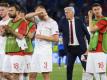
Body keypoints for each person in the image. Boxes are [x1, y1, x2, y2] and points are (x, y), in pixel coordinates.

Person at [2, 4, 36, 80]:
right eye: (9, 10)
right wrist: (4, 31)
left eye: (11, 11)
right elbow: (5, 35)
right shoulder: (10, 21)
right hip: (8, 51)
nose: (9, 12)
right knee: (5, 74)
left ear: (17, 12)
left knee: (19, 74)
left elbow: (21, 36)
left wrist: (10, 30)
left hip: (18, 52)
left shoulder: (23, 22)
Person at [59, 6, 90, 80]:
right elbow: (57, 31)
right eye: (65, 12)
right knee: (69, 68)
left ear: (72, 13)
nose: (65, 14)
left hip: (81, 49)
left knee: (86, 67)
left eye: (67, 12)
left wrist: (89, 48)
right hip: (70, 49)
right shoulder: (63, 22)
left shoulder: (79, 21)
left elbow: (87, 34)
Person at [30, 5, 59, 80]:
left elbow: (56, 39)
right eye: (36, 13)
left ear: (44, 11)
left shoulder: (53, 23)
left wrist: (41, 36)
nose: (37, 15)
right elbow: (27, 17)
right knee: (32, 75)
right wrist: (37, 13)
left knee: (45, 75)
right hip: (36, 51)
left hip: (45, 51)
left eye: (39, 12)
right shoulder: (38, 20)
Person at [85, 3, 107, 80]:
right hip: (92, 51)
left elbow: (92, 29)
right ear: (93, 11)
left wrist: (90, 17)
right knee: (88, 73)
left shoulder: (104, 20)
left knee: (102, 73)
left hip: (100, 50)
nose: (97, 11)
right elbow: (92, 37)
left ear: (101, 9)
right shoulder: (93, 21)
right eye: (95, 9)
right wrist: (88, 50)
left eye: (98, 9)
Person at [0, 3, 11, 80]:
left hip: (9, 52)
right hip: (0, 51)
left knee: (7, 74)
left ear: (8, 10)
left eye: (2, 10)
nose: (0, 12)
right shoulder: (0, 22)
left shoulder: (12, 22)